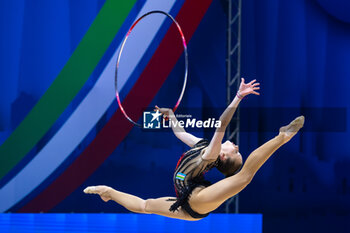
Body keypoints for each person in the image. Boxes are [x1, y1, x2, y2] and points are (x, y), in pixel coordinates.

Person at [84, 78, 304, 221]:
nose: (236, 145)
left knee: (245, 177)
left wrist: (238, 97)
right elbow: (180, 134)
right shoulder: (202, 146)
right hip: (185, 201)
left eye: (236, 151)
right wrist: (170, 116)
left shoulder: (211, 154)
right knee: (145, 206)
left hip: (197, 199)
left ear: (223, 155)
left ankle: (281, 137)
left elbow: (222, 124)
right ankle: (109, 192)